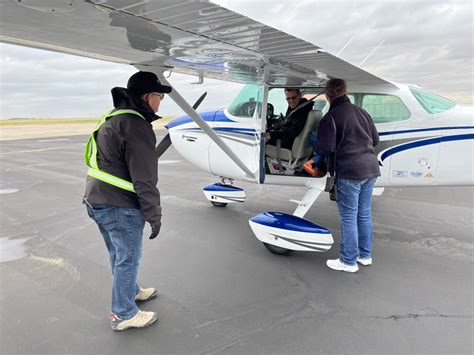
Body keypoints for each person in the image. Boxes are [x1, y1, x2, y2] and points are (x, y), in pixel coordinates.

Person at [83, 71, 171, 330]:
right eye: (159, 96)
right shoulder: (137, 126)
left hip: (96, 199)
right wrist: (154, 216)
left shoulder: (113, 118)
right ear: (147, 97)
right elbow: (145, 180)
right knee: (128, 257)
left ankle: (130, 291)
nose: (160, 102)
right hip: (119, 205)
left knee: (119, 253)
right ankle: (123, 314)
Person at [317, 78, 380, 273]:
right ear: (345, 92)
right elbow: (375, 140)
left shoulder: (331, 116)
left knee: (349, 216)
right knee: (364, 214)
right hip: (370, 169)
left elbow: (326, 147)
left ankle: (348, 261)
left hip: (349, 171)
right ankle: (364, 255)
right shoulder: (363, 113)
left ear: (328, 96)